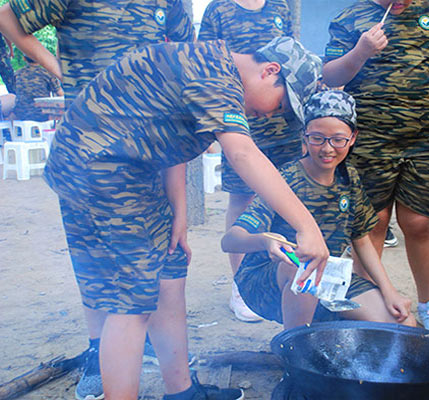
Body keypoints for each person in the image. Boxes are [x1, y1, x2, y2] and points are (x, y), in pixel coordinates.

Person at [40, 36, 326, 400]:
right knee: (133, 299)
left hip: (123, 169)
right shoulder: (216, 73)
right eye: (283, 103)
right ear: (271, 71)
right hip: (101, 171)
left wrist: (179, 214)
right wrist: (307, 226)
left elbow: (170, 138)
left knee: (170, 268)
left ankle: (182, 392)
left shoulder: (209, 66)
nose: (274, 113)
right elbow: (242, 154)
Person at [0, 2, 196, 398]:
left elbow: (181, 73)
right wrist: (57, 66)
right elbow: (7, 17)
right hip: (86, 148)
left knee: (166, 261)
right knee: (95, 261)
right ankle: (99, 352)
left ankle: (171, 375)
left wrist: (182, 206)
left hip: (149, 151)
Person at [321, 0, 429, 335]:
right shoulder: (350, 17)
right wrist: (360, 52)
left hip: (423, 138)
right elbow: (330, 73)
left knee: (419, 222)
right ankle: (371, 304)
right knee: (373, 223)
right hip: (370, 138)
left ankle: (428, 303)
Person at [222, 90, 416, 329]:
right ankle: (295, 353)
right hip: (265, 281)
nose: (327, 148)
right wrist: (265, 241)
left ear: (353, 137)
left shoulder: (350, 178)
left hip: (329, 277)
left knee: (403, 323)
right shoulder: (284, 181)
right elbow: (230, 240)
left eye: (338, 139)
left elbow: (362, 241)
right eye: (317, 138)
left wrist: (390, 292)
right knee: (303, 270)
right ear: (304, 137)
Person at [197, 0, 303, 323]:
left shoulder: (282, 7)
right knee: (243, 198)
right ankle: (242, 285)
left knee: (284, 195)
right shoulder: (218, 10)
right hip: (238, 122)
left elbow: (291, 57)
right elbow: (206, 67)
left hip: (282, 122)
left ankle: (283, 275)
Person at [13, 55, 63, 121]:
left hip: (21, 114)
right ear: (40, 59)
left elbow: (15, 90)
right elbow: (60, 93)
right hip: (42, 114)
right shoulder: (47, 73)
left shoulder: (17, 73)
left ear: (24, 58)